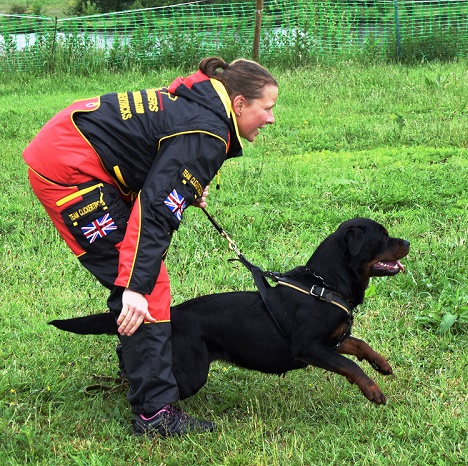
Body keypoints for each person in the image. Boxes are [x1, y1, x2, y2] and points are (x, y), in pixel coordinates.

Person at [23, 57, 278, 436]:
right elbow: (155, 212)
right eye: (268, 108)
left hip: (75, 151)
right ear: (239, 104)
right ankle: (153, 413)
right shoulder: (206, 132)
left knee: (141, 277)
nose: (272, 118)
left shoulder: (205, 109)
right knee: (147, 284)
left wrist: (184, 185)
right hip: (69, 171)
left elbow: (156, 159)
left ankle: (136, 362)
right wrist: (136, 286)